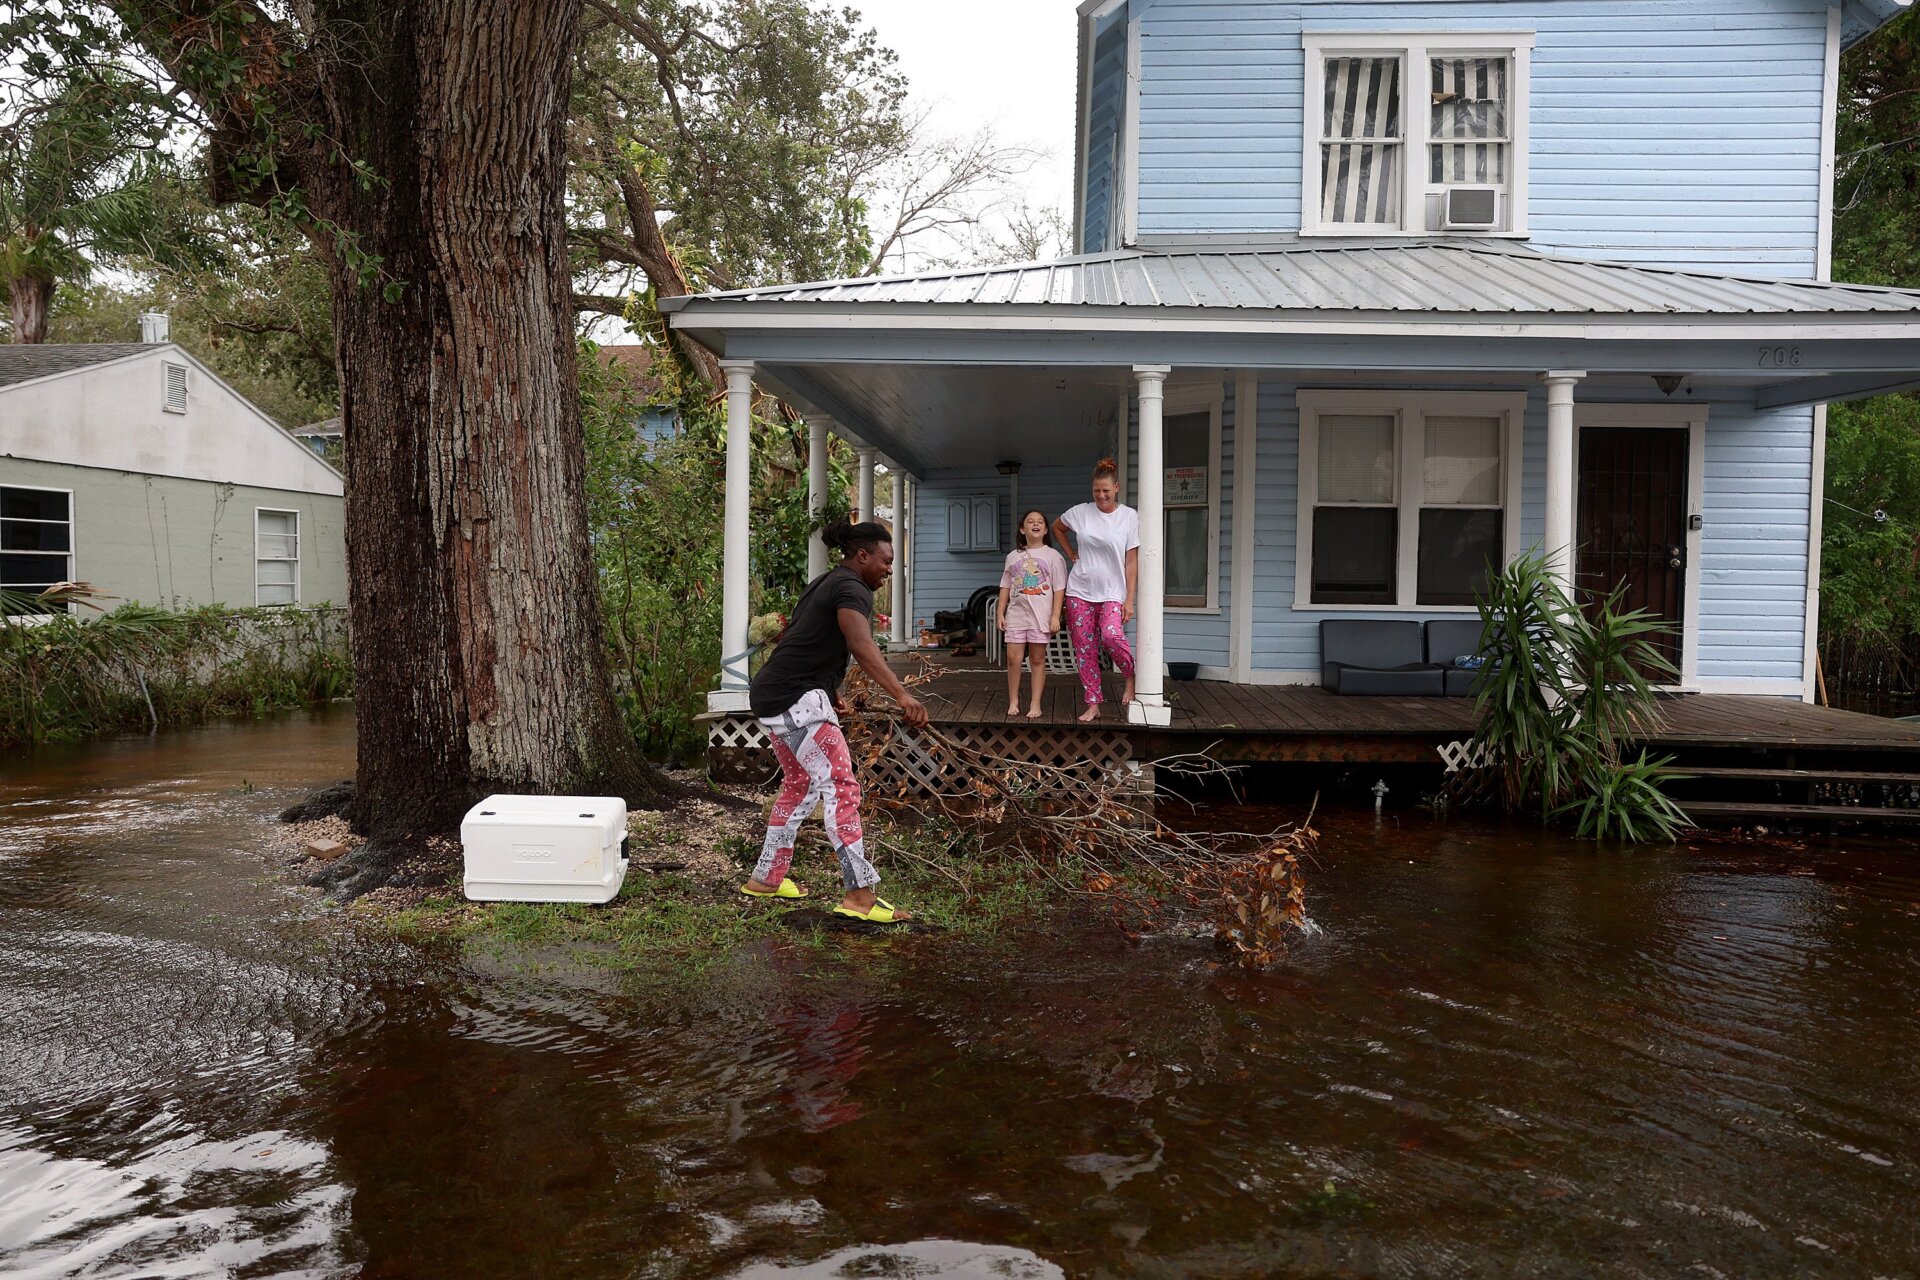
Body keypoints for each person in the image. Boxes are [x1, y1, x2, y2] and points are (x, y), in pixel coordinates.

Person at [745, 518, 929, 924]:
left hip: (775, 692)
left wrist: (832, 693)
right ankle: (859, 895)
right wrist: (901, 694)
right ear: (862, 555)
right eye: (885, 561)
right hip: (795, 698)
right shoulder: (852, 589)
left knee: (800, 783)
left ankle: (766, 878)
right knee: (842, 787)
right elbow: (859, 644)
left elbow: (810, 639)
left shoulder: (826, 582)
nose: (888, 569)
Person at [1051, 459, 1138, 723]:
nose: (1101, 496)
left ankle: (1130, 676)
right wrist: (1070, 554)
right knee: (1085, 650)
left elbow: (1131, 560)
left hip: (1112, 591)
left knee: (1112, 637)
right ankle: (1093, 703)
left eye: (1106, 491)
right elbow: (1057, 527)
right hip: (1080, 591)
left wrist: (1129, 599)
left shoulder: (1129, 516)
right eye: (1096, 491)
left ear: (1116, 488)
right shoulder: (1080, 512)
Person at [997, 509, 1068, 718]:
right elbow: (1005, 587)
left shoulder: (1053, 556)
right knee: (1013, 658)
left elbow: (1059, 589)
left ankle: (1035, 704)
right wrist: (1000, 613)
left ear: (1046, 529)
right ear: (1022, 528)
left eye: (1040, 522)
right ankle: (1014, 701)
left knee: (1037, 659)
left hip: (1041, 616)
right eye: (1030, 521)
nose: (1035, 524)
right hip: (1016, 616)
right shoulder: (1013, 556)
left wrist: (1055, 616)